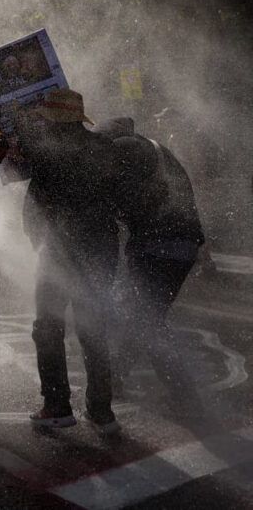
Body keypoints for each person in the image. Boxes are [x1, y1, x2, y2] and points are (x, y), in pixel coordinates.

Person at [12, 89, 123, 435]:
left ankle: (57, 406)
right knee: (93, 329)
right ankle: (102, 413)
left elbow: (32, 191)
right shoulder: (105, 148)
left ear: (53, 120)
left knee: (48, 327)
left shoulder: (50, 149)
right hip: (102, 251)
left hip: (60, 253)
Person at [96, 118, 205, 409]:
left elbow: (108, 196)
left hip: (156, 245)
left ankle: (185, 395)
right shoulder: (157, 149)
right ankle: (116, 375)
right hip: (185, 243)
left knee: (148, 320)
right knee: (143, 313)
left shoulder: (124, 148)